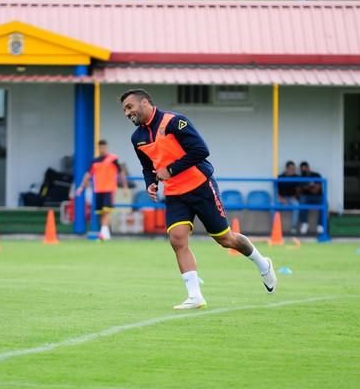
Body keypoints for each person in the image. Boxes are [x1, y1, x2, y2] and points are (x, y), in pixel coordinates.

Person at [120, 89, 276, 310]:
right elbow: (148, 167)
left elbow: (201, 150)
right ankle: (195, 296)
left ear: (145, 103)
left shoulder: (175, 122)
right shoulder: (137, 138)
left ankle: (263, 263)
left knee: (226, 239)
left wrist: (171, 170)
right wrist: (150, 183)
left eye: (129, 107)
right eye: (124, 110)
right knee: (177, 239)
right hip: (175, 194)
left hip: (200, 186)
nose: (127, 113)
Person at [75, 140, 128, 241]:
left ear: (106, 147)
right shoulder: (94, 161)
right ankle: (105, 233)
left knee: (106, 211)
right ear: (98, 148)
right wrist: (81, 187)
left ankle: (103, 233)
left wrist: (125, 187)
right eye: (100, 147)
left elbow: (121, 173)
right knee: (101, 212)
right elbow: (88, 175)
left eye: (104, 147)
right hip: (98, 189)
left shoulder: (113, 159)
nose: (102, 149)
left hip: (109, 189)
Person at [298, 161, 325, 235]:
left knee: (324, 203)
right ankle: (304, 224)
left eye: (305, 168)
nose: (304, 170)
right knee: (302, 201)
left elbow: (316, 190)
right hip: (306, 197)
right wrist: (310, 186)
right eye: (302, 169)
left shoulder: (316, 175)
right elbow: (300, 191)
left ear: (308, 168)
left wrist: (307, 187)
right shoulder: (301, 177)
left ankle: (320, 226)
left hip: (317, 197)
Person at [277, 160, 300, 234]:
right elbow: (275, 190)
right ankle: (276, 227)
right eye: (291, 169)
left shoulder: (296, 177)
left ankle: (293, 227)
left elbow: (298, 191)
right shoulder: (280, 177)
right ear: (286, 169)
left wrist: (295, 197)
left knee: (296, 205)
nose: (292, 170)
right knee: (272, 205)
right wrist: (280, 198)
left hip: (291, 198)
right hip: (281, 198)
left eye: (294, 169)